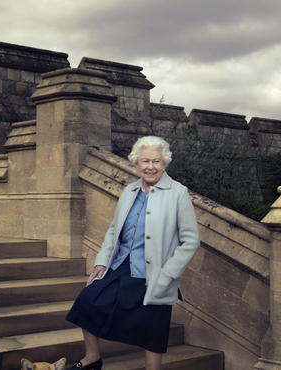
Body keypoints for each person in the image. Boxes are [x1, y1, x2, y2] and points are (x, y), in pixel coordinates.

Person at [65, 136, 200, 370]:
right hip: (121, 266)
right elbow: (113, 230)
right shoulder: (129, 191)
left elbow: (191, 241)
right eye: (145, 161)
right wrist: (101, 262)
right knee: (87, 301)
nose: (150, 166)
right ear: (136, 163)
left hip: (156, 273)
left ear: (164, 163)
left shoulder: (177, 193)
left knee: (153, 328)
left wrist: (168, 273)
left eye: (156, 161)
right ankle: (92, 358)